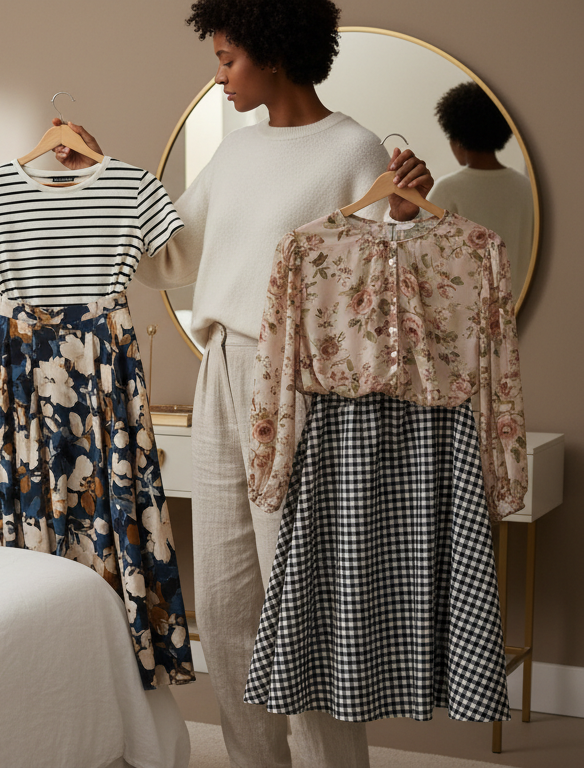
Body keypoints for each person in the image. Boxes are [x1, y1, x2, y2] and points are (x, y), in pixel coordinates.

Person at [51, 1, 433, 766]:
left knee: (300, 603)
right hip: (222, 369)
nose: (219, 74)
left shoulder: (353, 150)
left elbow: (393, 292)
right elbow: (170, 256)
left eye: (229, 59)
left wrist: (405, 215)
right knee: (227, 606)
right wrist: (102, 178)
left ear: (276, 52)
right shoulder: (234, 155)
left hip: (306, 385)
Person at [429, 81, 534, 301]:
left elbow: (426, 259)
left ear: (456, 139)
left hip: (470, 319)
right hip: (524, 309)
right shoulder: (527, 189)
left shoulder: (448, 190)